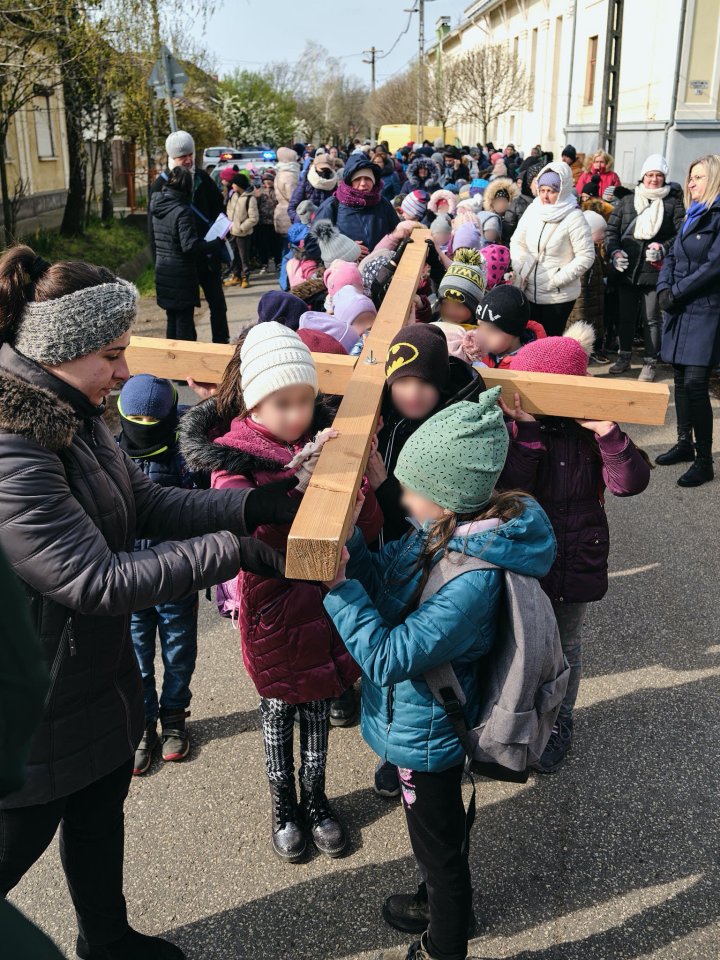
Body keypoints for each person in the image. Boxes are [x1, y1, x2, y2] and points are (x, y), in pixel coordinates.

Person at [0, 247, 301, 960]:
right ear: (60, 351)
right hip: (34, 708)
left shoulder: (71, 411)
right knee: (18, 845)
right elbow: (94, 580)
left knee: (101, 818)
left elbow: (137, 502)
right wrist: (234, 551)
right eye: (112, 353)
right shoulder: (15, 447)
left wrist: (247, 506)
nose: (126, 371)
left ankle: (107, 941)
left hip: (89, 684)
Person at [323, 392, 556, 960]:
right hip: (418, 721)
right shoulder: (441, 534)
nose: (401, 497)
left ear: (447, 496)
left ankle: (444, 941)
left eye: (410, 488)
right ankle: (442, 903)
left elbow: (387, 655)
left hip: (428, 735)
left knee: (439, 850)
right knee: (439, 838)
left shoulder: (468, 580)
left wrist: (337, 588)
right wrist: (350, 542)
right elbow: (387, 580)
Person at [179, 323, 383, 861]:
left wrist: (355, 488)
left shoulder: (326, 443)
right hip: (272, 608)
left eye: (306, 400)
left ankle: (316, 800)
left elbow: (364, 526)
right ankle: (283, 805)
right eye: (283, 403)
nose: (297, 414)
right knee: (277, 713)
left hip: (327, 606)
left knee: (318, 711)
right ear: (252, 403)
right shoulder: (233, 461)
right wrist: (301, 486)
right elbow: (245, 534)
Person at [499, 323, 651, 773]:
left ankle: (560, 721)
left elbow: (628, 483)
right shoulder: (518, 432)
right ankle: (518, 717)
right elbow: (511, 489)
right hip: (529, 561)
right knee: (522, 644)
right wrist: (526, 435)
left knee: (567, 647)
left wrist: (608, 432)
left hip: (577, 560)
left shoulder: (591, 436)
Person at [117, 375, 205, 775]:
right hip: (130, 578)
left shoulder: (186, 451)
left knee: (178, 650)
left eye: (151, 419)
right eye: (133, 417)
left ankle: (173, 717)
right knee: (136, 655)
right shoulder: (111, 452)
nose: (141, 425)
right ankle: (142, 727)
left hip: (175, 575)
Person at [655, 154, 720, 487]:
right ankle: (683, 443)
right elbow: (673, 256)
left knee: (696, 384)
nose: (691, 183)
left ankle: (704, 459)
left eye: (698, 177)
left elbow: (713, 266)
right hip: (680, 308)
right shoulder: (692, 216)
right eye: (690, 177)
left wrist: (676, 292)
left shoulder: (717, 217)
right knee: (679, 380)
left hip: (705, 309)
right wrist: (664, 287)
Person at [605, 154, 685, 382]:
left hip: (655, 271)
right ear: (643, 176)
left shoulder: (672, 204)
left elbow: (680, 235)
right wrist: (614, 252)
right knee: (626, 317)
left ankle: (650, 362)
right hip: (627, 270)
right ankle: (624, 356)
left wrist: (663, 247)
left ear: (665, 177)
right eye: (650, 174)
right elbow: (612, 232)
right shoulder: (628, 201)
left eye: (659, 175)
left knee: (652, 318)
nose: (654, 179)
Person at [149, 131, 229, 343]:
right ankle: (183, 363)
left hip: (207, 256)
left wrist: (221, 229)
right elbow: (153, 231)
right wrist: (158, 261)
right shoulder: (159, 186)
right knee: (181, 317)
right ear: (171, 158)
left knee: (218, 305)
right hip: (181, 262)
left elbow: (219, 209)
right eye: (182, 156)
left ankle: (221, 347)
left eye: (190, 154)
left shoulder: (203, 178)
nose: (188, 159)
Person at [510, 162, 595, 336]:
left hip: (557, 296)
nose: (545, 196)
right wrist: (520, 266)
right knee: (529, 341)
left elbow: (586, 256)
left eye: (551, 191)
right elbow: (517, 241)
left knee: (550, 344)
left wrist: (557, 279)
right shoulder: (533, 209)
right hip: (529, 289)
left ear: (562, 190)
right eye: (542, 190)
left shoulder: (574, 217)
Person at [315, 154, 399, 253]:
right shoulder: (332, 205)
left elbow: (396, 233)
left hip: (382, 265)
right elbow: (314, 245)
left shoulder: (383, 203)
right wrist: (345, 250)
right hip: (345, 267)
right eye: (357, 179)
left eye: (367, 178)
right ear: (350, 182)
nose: (363, 183)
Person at [463, 284, 546, 367]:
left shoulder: (529, 366)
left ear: (514, 332)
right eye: (480, 326)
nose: (482, 336)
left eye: (491, 330)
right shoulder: (479, 353)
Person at [567, 210, 611, 364]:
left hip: (593, 306)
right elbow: (581, 292)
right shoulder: (582, 256)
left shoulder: (594, 250)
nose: (604, 235)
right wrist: (580, 315)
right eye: (601, 232)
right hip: (583, 309)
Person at [436, 249, 488, 327]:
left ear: (474, 307)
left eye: (459, 305)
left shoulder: (476, 336)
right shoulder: (437, 321)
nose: (450, 311)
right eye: (445, 303)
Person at [224, 173, 259, 289]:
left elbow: (254, 218)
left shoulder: (250, 198)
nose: (232, 185)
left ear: (239, 184)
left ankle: (245, 277)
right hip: (231, 231)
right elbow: (229, 210)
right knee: (233, 256)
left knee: (244, 257)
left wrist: (242, 227)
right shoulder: (233, 195)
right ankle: (236, 276)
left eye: (234, 183)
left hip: (243, 233)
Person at [288, 152, 340, 224]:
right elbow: (292, 208)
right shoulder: (306, 182)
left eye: (328, 170)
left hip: (325, 228)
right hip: (307, 227)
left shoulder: (335, 184)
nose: (325, 172)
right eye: (322, 169)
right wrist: (302, 221)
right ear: (315, 167)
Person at [274, 147, 301, 255]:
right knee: (291, 251)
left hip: (281, 213)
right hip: (289, 216)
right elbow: (294, 198)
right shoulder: (290, 176)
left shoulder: (280, 173)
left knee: (286, 248)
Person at [255, 172, 281, 274]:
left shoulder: (277, 191)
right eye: (265, 180)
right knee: (263, 245)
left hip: (274, 222)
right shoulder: (259, 191)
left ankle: (278, 262)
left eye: (269, 180)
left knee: (275, 244)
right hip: (262, 222)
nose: (267, 182)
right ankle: (264, 264)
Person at [483, 178, 519, 245]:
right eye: (497, 201)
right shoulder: (488, 219)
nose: (500, 204)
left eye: (503, 201)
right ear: (492, 203)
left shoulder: (513, 220)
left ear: (509, 202)